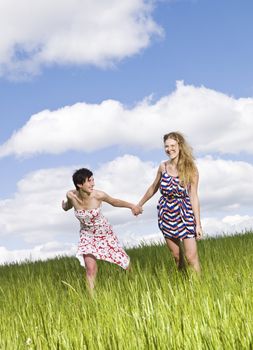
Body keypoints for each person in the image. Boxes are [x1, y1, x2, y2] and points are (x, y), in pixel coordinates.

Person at [62, 168, 142, 293]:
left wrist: (132, 206)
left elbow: (115, 202)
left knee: (124, 262)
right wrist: (64, 206)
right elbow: (68, 205)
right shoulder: (71, 195)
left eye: (93, 180)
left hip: (104, 234)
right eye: (89, 181)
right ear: (79, 184)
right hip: (87, 235)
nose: (93, 184)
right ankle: (91, 301)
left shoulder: (98, 195)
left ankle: (136, 285)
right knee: (90, 268)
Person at [136, 132, 203, 274]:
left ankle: (198, 288)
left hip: (185, 214)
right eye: (166, 146)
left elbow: (193, 196)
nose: (169, 149)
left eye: (172, 145)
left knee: (191, 257)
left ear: (180, 146)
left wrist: (198, 224)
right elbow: (153, 187)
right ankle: (184, 284)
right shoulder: (163, 167)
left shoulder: (191, 169)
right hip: (166, 214)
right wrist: (139, 204)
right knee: (177, 257)